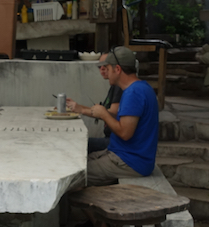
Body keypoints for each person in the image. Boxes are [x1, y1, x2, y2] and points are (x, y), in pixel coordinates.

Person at [83, 46, 158, 187]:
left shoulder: (133, 93)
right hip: (123, 155)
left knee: (74, 175)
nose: (106, 72)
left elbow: (125, 133)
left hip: (130, 162)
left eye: (108, 68)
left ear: (117, 69)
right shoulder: (141, 87)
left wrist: (104, 114)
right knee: (77, 160)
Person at [65, 53, 122, 153]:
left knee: (77, 144)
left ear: (116, 68)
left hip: (115, 141)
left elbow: (112, 113)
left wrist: (82, 110)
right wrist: (77, 107)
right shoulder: (114, 86)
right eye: (100, 67)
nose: (102, 69)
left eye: (106, 66)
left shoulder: (119, 86)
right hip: (111, 139)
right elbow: (100, 111)